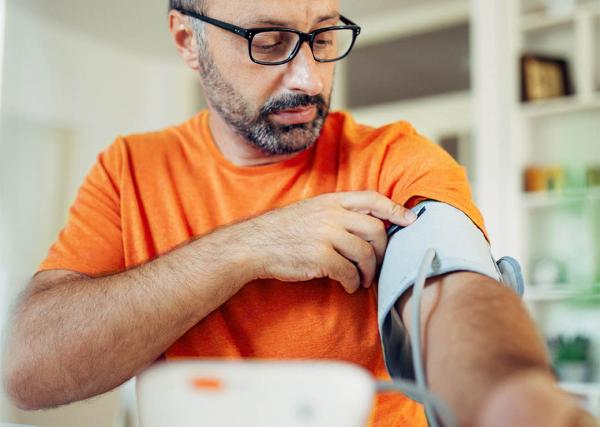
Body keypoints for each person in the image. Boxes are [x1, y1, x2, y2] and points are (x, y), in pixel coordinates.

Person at [3, 0, 597, 426]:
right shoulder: (131, 168)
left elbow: (452, 289)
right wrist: (249, 247)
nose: (309, 77)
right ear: (188, 40)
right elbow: (29, 369)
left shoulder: (395, 156)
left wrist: (511, 399)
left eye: (324, 33)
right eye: (268, 39)